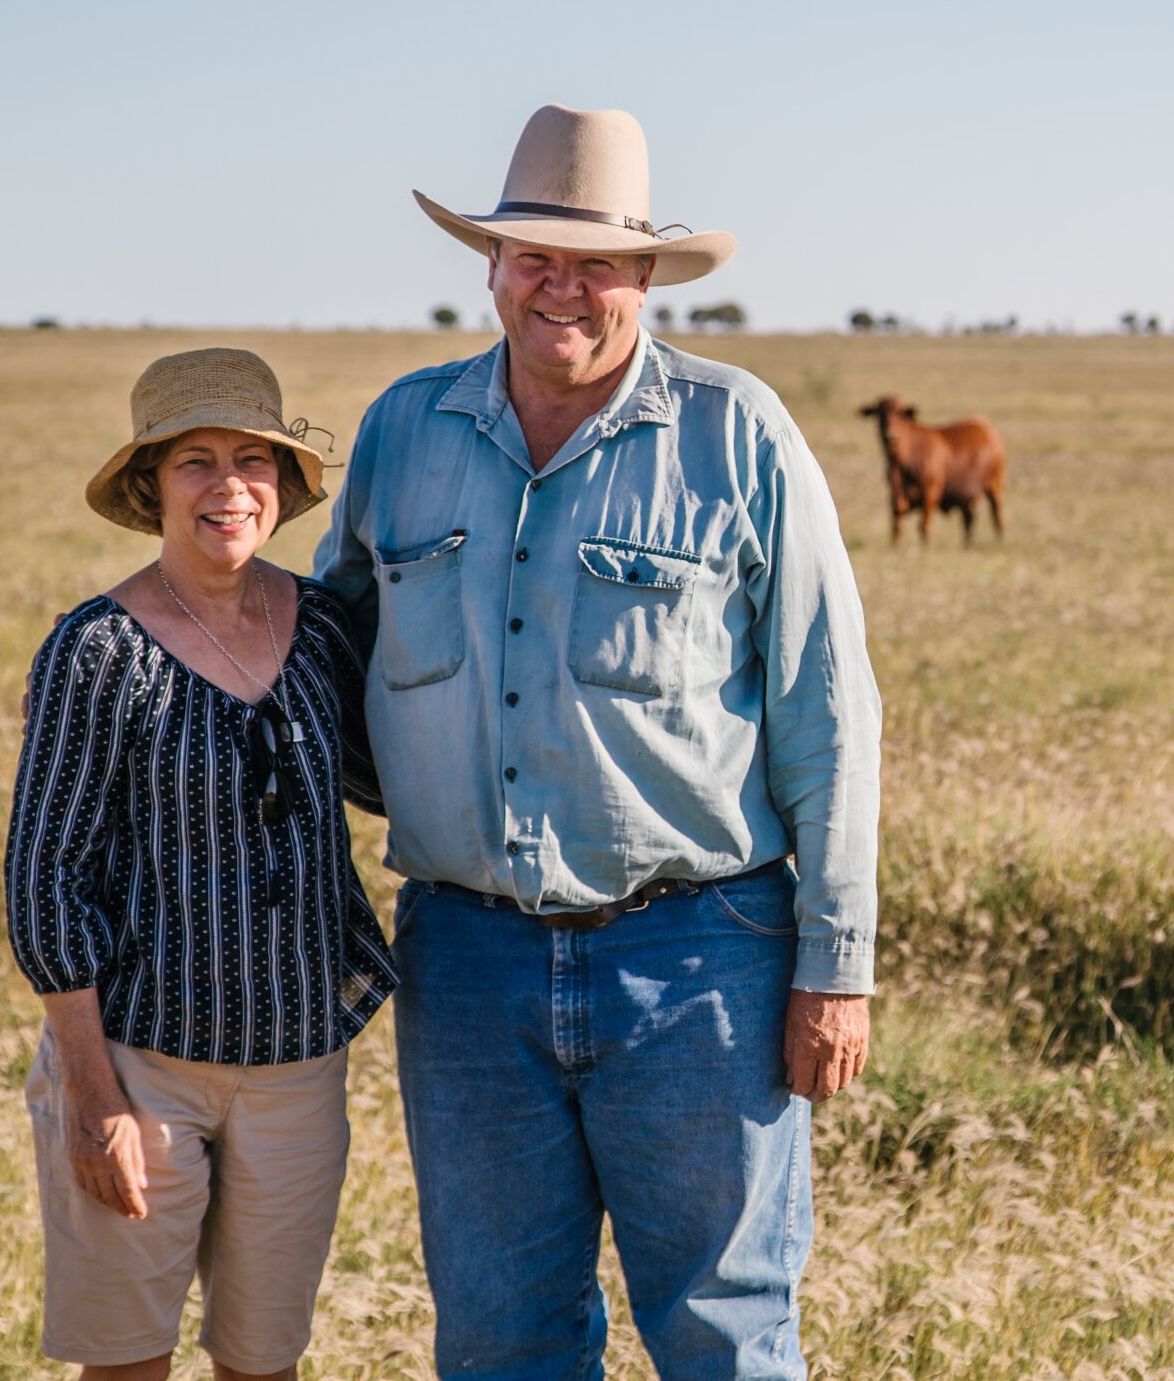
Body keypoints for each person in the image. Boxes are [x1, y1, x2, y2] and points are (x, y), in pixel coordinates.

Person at [315, 104, 881, 1379]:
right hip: (464, 960)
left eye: (596, 264)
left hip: (701, 960)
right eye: (535, 257)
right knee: (501, 1339)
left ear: (645, 278)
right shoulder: (405, 430)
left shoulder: (736, 436)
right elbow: (324, 656)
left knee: (726, 1335)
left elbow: (826, 710)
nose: (561, 287)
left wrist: (834, 966)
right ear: (492, 266)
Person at [6, 349, 395, 1381]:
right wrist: (93, 1096)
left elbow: (389, 777)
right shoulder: (99, 650)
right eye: (194, 461)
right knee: (129, 1361)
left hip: (300, 1063)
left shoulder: (321, 628)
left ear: (280, 484)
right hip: (141, 1062)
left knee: (263, 1361)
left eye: (250, 460)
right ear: (151, 485)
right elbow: (47, 880)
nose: (228, 486)